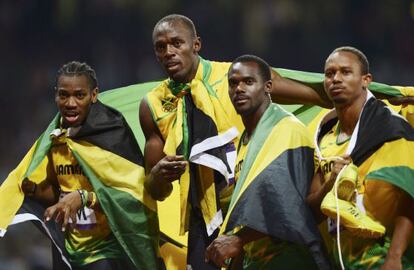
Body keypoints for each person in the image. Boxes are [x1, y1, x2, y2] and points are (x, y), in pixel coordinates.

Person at [139, 14, 336, 269]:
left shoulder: (237, 77)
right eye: (161, 47)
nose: (169, 52)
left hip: (254, 210)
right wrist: (159, 175)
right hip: (204, 219)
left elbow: (317, 95)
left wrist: (375, 97)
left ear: (196, 44)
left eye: (177, 43)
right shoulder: (152, 106)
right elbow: (156, 190)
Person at [0, 61, 162, 270]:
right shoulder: (54, 140)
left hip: (108, 251)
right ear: (55, 95)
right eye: (64, 95)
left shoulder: (112, 135)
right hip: (69, 250)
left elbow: (134, 194)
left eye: (79, 95)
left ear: (94, 95)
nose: (70, 103)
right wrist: (36, 191)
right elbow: (55, 191)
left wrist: (85, 198)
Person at [204, 55, 330, 269]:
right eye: (233, 83)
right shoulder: (245, 142)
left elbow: (287, 206)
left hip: (292, 260)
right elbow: (251, 211)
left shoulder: (286, 129)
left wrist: (239, 239)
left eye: (248, 82)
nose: (239, 89)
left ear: (268, 86)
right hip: (258, 261)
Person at [306, 46, 414, 269]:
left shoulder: (390, 129)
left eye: (345, 72)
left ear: (366, 80)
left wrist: (394, 256)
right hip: (340, 260)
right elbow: (310, 210)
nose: (336, 79)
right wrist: (330, 184)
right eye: (329, 74)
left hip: (383, 258)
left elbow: (409, 196)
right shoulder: (323, 139)